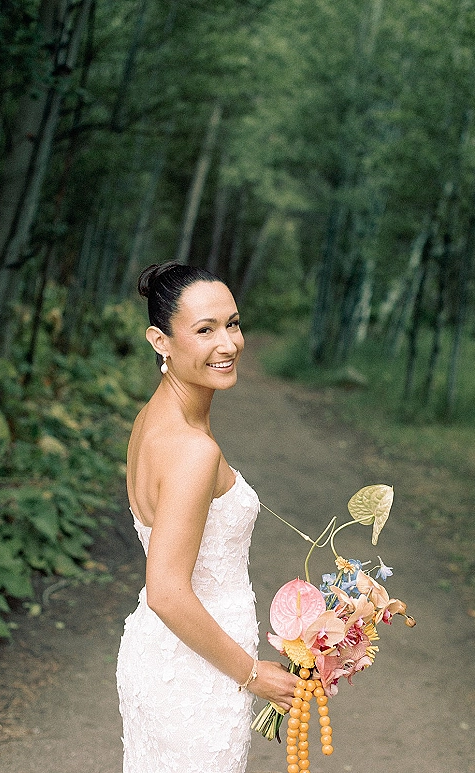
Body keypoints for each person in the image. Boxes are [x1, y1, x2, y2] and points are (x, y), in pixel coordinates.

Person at [116, 262, 298, 773]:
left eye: (233, 324)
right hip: (196, 672)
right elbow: (168, 590)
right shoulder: (191, 450)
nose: (228, 343)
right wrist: (252, 674)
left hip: (168, 656)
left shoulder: (152, 419)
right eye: (204, 330)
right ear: (160, 341)